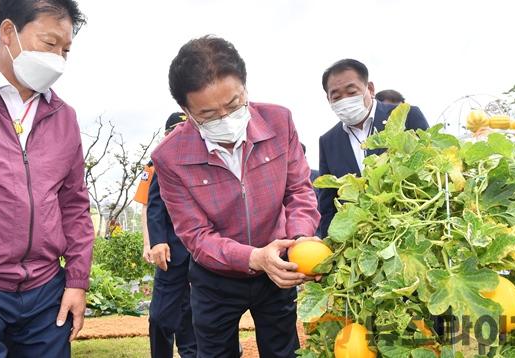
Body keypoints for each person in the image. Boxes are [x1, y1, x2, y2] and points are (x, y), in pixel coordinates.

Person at [152, 35, 320, 357]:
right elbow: (196, 236)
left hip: (280, 266)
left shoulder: (279, 122)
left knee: (283, 351)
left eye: (233, 104)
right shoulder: (170, 157)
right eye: (209, 115)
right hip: (215, 279)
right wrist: (254, 257)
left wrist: (299, 241)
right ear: (185, 109)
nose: (226, 120)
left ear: (245, 87)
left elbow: (299, 190)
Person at [0, 1, 93, 357]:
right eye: (49, 44)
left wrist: (76, 282)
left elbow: (74, 204)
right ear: (8, 32)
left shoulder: (63, 117)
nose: (58, 58)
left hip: (45, 292)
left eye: (66, 49)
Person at [318, 59, 429, 236]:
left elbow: (430, 164)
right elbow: (328, 204)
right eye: (336, 97)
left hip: (414, 227)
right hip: (363, 238)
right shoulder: (328, 141)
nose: (345, 100)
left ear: (370, 88)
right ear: (328, 99)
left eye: (351, 92)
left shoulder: (405, 116)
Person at [134, 112, 197, 358]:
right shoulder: (159, 162)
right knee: (160, 317)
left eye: (184, 128)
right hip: (170, 253)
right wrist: (152, 241)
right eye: (174, 130)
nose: (179, 134)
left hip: (203, 254)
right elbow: (151, 205)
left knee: (195, 316)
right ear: (166, 134)